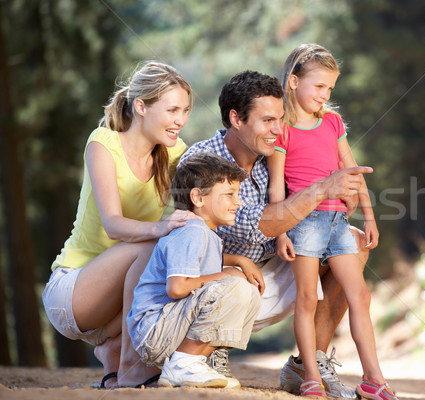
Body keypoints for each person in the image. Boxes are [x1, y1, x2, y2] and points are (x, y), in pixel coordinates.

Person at [180, 70, 372, 399]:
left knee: (351, 242)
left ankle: (308, 363)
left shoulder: (277, 157)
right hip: (217, 289)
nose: (278, 130)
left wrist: (344, 197)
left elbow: (320, 210)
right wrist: (322, 188)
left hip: (271, 275)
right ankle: (209, 350)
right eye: (267, 121)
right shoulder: (203, 162)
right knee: (235, 277)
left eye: (281, 119)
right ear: (235, 118)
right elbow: (254, 226)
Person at [42, 61, 198, 388]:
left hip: (113, 316)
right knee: (155, 243)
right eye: (171, 110)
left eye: (184, 111)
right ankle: (132, 364)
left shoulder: (176, 154)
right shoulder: (104, 144)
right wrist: (162, 227)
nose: (180, 121)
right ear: (141, 106)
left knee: (178, 248)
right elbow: (113, 225)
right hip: (72, 292)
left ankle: (115, 352)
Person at [268, 43, 397, 400]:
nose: (325, 96)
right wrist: (280, 232)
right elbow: (276, 185)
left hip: (338, 222)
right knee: (307, 299)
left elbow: (353, 173)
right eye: (319, 87)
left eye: (330, 89)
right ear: (293, 82)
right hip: (303, 223)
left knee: (360, 294)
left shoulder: (333, 123)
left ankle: (373, 378)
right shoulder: (284, 129)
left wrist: (369, 217)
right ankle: (310, 375)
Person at [127, 152, 261, 389]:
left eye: (237, 194)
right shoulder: (192, 231)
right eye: (229, 195)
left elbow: (203, 266)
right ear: (198, 197)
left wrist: (239, 261)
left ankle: (192, 361)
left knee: (246, 290)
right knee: (236, 287)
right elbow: (177, 287)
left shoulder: (204, 233)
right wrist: (227, 274)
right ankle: (183, 363)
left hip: (169, 327)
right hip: (155, 330)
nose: (238, 202)